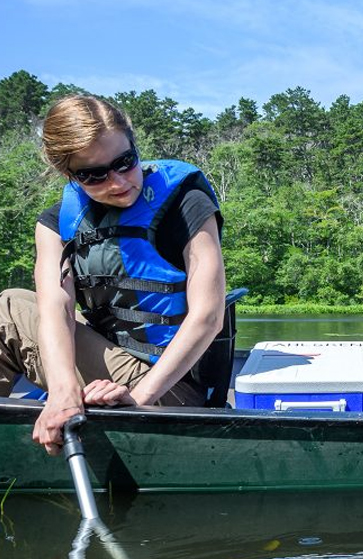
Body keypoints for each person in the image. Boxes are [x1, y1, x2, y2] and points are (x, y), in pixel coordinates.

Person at [0, 94, 226, 455]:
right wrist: (62, 393)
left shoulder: (186, 204)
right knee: (23, 306)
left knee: (7, 309)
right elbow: (56, 310)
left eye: (124, 162)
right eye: (94, 174)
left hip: (170, 388)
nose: (118, 181)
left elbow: (208, 317)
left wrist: (136, 400)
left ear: (135, 147)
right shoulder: (56, 224)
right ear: (68, 173)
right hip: (112, 369)